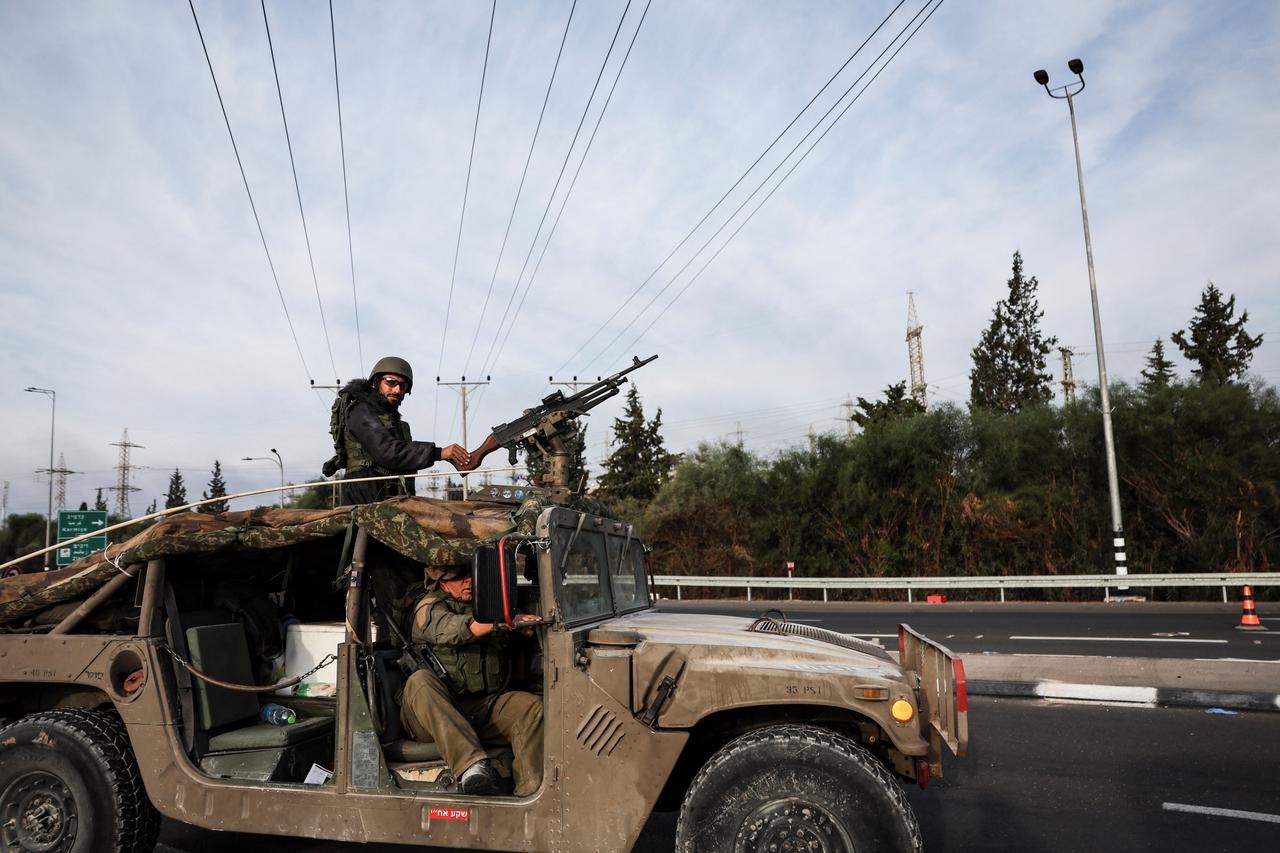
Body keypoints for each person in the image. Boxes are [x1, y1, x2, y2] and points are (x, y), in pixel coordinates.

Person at [398, 564, 543, 796]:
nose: (469, 581)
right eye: (460, 577)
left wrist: (521, 628)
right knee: (420, 681)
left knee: (532, 710)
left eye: (471, 575)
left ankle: (530, 794)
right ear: (442, 582)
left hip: (477, 707)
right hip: (430, 716)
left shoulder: (485, 605)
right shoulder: (429, 606)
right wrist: (500, 621)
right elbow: (450, 629)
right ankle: (471, 767)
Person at [323, 356, 469, 504]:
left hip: (389, 495)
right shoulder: (361, 410)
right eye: (391, 382)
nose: (397, 390)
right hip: (366, 496)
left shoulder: (389, 419)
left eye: (403, 386)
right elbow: (387, 451)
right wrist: (439, 453)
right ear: (376, 382)